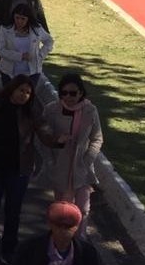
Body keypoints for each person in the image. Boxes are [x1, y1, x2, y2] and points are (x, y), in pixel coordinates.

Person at [0, 75, 49, 265]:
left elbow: (44, 131)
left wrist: (57, 141)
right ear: (12, 89)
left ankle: (8, 249)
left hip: (18, 169)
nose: (24, 95)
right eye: (21, 90)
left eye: (28, 92)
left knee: (13, 210)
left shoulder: (31, 111)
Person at [42, 74, 104, 230]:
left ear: (81, 93)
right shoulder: (51, 110)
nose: (68, 97)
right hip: (60, 167)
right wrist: (52, 158)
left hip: (82, 168)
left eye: (73, 93)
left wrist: (87, 159)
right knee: (62, 211)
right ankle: (61, 239)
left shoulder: (90, 110)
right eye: (64, 93)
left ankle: (79, 241)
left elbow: (97, 138)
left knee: (83, 209)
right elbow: (43, 138)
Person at [0, 3, 54, 86]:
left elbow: (49, 41)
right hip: (9, 72)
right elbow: (0, 50)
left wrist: (40, 55)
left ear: (28, 19)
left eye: (23, 19)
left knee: (28, 97)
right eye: (17, 18)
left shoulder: (36, 29)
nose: (19, 21)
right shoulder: (5, 29)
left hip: (32, 72)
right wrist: (20, 56)